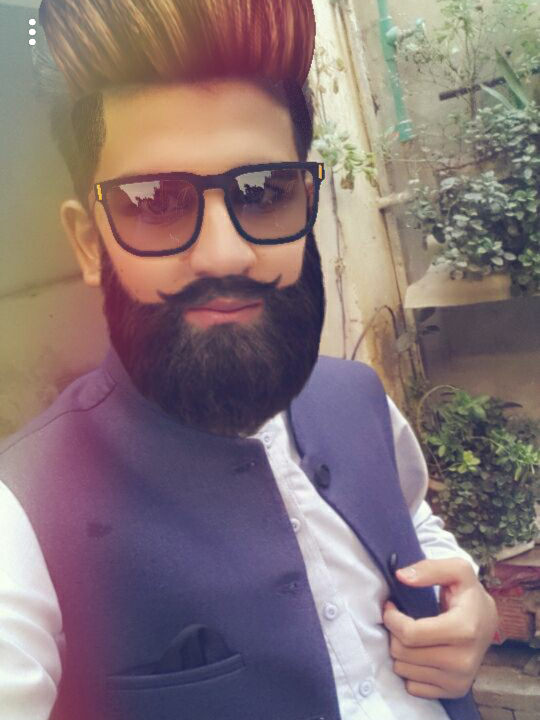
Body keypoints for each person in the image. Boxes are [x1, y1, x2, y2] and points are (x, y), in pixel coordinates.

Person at [0, 1, 498, 719]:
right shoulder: (22, 508)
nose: (225, 253)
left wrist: (468, 600)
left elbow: (412, 519)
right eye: (154, 202)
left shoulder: (358, 395)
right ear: (88, 244)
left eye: (264, 192)